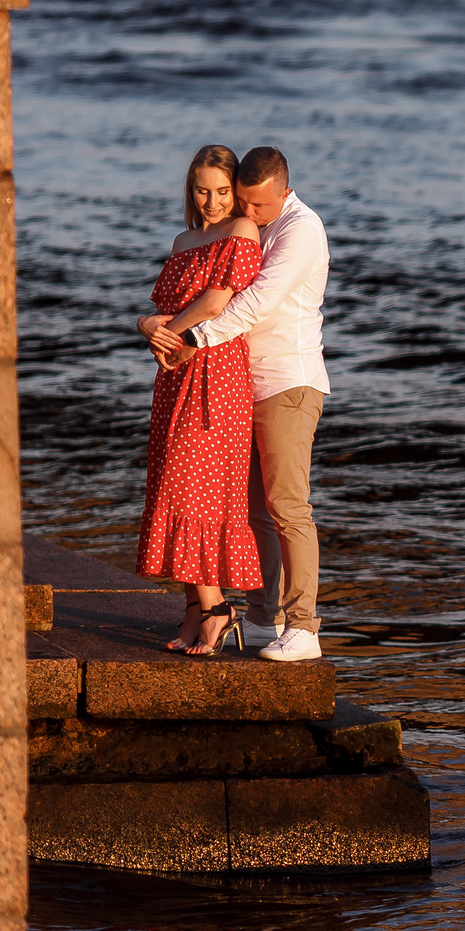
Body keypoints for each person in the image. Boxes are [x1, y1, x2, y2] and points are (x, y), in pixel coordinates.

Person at [151, 145, 331, 662]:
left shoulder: (301, 229)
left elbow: (255, 302)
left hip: (287, 382)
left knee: (288, 506)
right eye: (243, 204)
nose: (247, 213)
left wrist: (190, 340)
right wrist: (155, 327)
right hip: (241, 383)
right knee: (254, 511)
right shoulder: (254, 222)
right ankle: (262, 616)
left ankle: (304, 626)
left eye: (258, 205)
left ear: (284, 189)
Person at [134, 145, 264, 655]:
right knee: (171, 484)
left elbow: (216, 302)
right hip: (174, 376)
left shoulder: (242, 233)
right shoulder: (184, 239)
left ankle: (217, 608)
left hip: (218, 371)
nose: (211, 202)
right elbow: (163, 311)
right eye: (202, 191)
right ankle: (194, 608)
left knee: (196, 488)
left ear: (236, 191)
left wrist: (173, 336)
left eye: (222, 191)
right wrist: (149, 326)